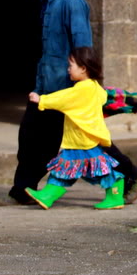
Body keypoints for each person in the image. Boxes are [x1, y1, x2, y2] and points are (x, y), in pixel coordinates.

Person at [5, 0, 137, 206]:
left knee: (88, 140)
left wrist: (82, 90)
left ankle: (131, 175)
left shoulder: (71, 2)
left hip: (67, 91)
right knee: (31, 137)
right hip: (46, 86)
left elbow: (83, 49)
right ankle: (22, 190)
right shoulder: (47, 1)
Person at [26, 48, 124, 210]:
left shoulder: (82, 89)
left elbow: (64, 98)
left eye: (71, 65)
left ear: (83, 68)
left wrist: (42, 99)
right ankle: (47, 195)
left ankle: (115, 192)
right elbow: (101, 98)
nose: (68, 69)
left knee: (87, 167)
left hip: (82, 139)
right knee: (74, 167)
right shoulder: (94, 87)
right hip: (81, 138)